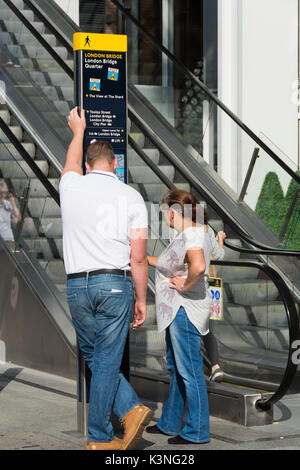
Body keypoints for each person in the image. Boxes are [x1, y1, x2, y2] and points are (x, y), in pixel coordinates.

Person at [59, 107, 153, 451]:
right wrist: (142, 300)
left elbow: (70, 164)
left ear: (87, 166)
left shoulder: (71, 187)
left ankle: (131, 409)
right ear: (115, 164)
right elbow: (138, 257)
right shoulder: (131, 197)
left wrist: (77, 130)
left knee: (94, 355)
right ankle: (100, 436)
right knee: (107, 358)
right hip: (114, 284)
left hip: (75, 287)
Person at [146, 188, 226, 445]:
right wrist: (142, 258)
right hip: (177, 311)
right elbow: (174, 263)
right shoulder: (192, 232)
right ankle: (170, 422)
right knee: (178, 369)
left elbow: (199, 266)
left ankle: (197, 432)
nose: (164, 218)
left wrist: (186, 285)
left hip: (184, 310)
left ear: (173, 212)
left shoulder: (191, 234)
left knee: (189, 371)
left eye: (164, 213)